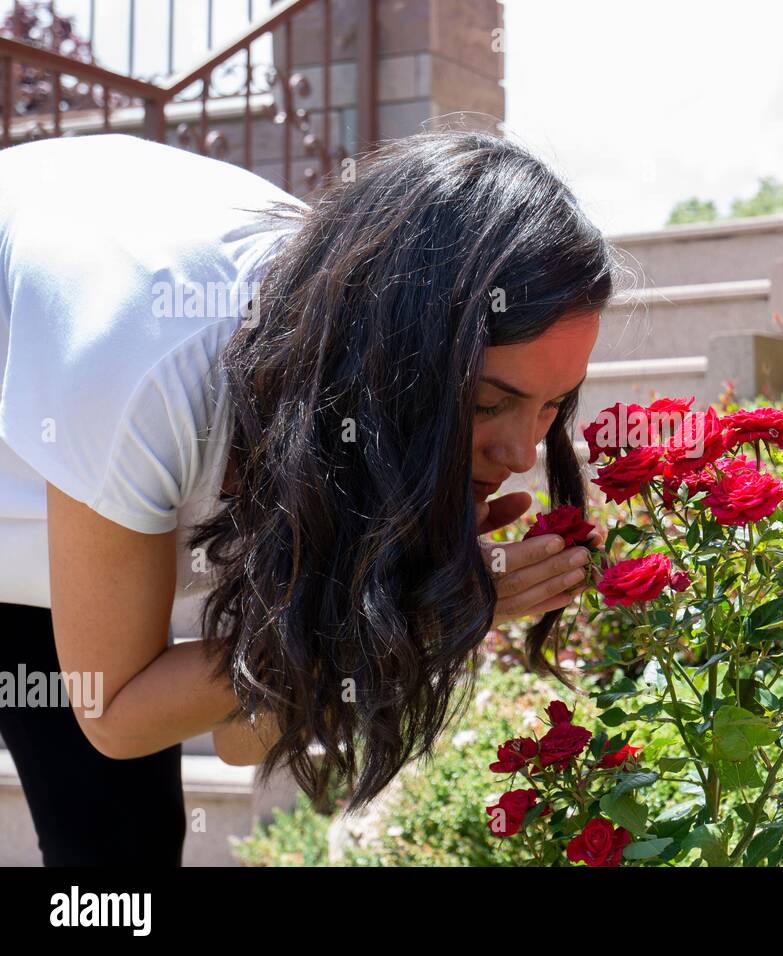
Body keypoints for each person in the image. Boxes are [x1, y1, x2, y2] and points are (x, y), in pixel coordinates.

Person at [0, 129, 614, 865]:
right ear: (399, 355)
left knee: (120, 845)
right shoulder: (150, 356)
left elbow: (239, 733)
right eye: (488, 403)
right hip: (80, 414)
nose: (521, 455)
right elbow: (118, 713)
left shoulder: (341, 379)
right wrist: (428, 608)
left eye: (553, 404)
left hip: (60, 498)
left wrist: (397, 588)